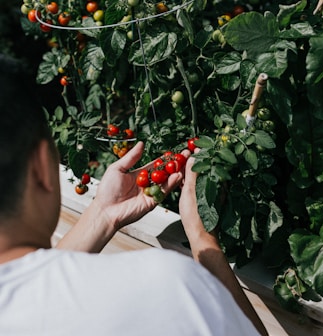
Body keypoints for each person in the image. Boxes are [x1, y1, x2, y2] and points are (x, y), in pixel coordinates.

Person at [0, 54, 268, 336]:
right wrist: (202, 239)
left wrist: (103, 214)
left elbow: (36, 288)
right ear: (42, 166)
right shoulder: (166, 287)